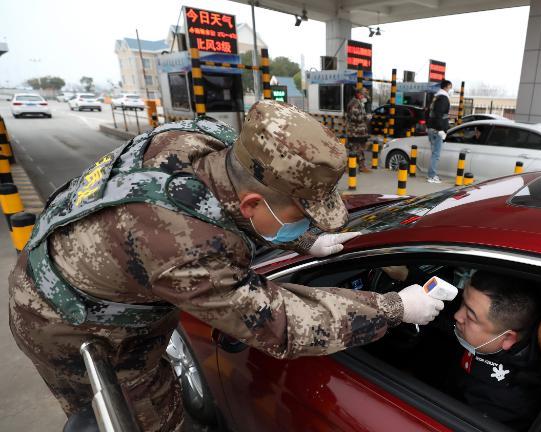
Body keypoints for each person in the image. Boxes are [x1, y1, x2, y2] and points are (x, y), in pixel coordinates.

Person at [9, 101, 445, 431]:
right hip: (67, 321)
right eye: (304, 215)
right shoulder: (180, 245)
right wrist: (395, 308)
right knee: (143, 414)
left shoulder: (205, 140)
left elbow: (232, 205)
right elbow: (280, 324)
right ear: (254, 202)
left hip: (90, 262)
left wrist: (309, 239)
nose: (309, 222)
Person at [449, 271, 541, 430]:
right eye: (463, 302)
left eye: (470, 316)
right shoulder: (497, 321)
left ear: (507, 339)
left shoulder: (501, 404)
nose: (457, 315)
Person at [426, 80, 452, 183]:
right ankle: (432, 176)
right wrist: (441, 129)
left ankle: (431, 175)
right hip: (437, 130)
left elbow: (428, 111)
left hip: (432, 128)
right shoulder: (443, 98)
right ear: (446, 87)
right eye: (450, 87)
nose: (451, 89)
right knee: (436, 154)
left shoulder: (436, 96)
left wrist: (428, 125)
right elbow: (439, 114)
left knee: (434, 153)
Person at [345, 88, 371, 172]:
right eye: (364, 95)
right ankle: (349, 167)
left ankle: (361, 166)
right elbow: (354, 117)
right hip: (355, 132)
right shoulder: (354, 103)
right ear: (359, 94)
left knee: (358, 149)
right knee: (355, 149)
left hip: (359, 132)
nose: (365, 98)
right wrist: (366, 117)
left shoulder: (359, 103)